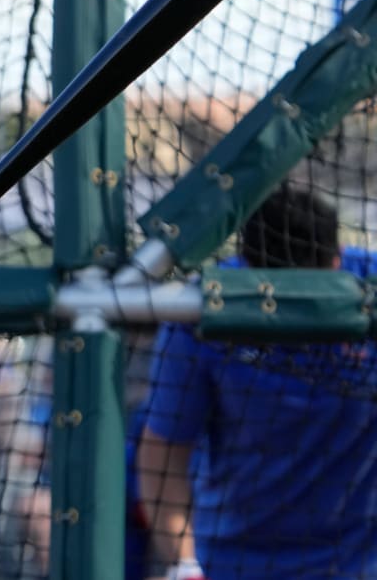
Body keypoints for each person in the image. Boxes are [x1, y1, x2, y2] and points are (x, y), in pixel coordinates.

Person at [137, 185, 377, 580]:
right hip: (236, 559)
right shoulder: (205, 309)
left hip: (358, 559)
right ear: (250, 267)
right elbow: (163, 449)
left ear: (335, 261)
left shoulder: (366, 289)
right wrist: (184, 566)